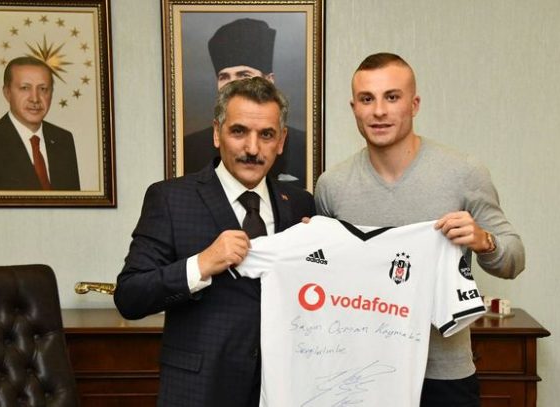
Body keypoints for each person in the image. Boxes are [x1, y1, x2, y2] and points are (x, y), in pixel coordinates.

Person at [314, 52, 526, 407]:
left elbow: (515, 259)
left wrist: (484, 240)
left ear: (414, 104)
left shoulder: (464, 172)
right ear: (354, 108)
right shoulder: (331, 186)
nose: (379, 111)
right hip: (362, 370)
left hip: (444, 374)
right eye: (367, 99)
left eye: (392, 97)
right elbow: (325, 277)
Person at [114, 77, 316, 407]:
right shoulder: (170, 199)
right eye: (239, 132)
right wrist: (201, 265)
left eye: (266, 135)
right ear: (216, 133)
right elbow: (130, 296)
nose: (252, 149)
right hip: (200, 390)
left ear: (281, 141)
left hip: (282, 389)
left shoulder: (300, 204)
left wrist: (318, 259)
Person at [183, 18, 307, 188]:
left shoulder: (302, 145)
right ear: (217, 133)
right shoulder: (191, 146)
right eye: (224, 77)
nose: (233, 84)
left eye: (244, 75)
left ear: (269, 80)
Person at [0, 56, 80, 190]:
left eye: (43, 89)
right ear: (7, 93)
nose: (35, 99)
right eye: (25, 88)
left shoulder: (63, 139)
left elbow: (72, 201)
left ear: (51, 93)